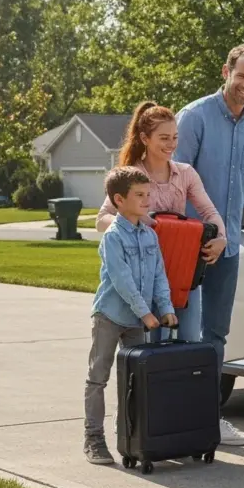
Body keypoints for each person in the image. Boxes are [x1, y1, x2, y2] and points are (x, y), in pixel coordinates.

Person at [173, 44, 244, 447]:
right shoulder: (194, 117)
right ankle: (171, 419)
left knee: (216, 334)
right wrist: (195, 237)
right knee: (181, 332)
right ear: (226, 72)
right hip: (187, 246)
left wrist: (230, 232)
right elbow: (174, 182)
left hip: (227, 248)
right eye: (241, 76)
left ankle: (208, 418)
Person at [96, 101, 228, 344]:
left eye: (175, 137)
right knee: (147, 347)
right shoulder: (131, 175)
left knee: (188, 342)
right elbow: (102, 219)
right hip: (142, 276)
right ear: (145, 138)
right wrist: (137, 221)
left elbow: (209, 212)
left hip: (181, 270)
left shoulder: (186, 173)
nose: (171, 144)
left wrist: (221, 238)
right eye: (164, 138)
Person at [84, 167, 178, 464]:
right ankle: (93, 439)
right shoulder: (113, 237)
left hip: (138, 320)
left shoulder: (150, 235)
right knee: (98, 378)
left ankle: (131, 438)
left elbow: (159, 275)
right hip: (110, 316)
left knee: (135, 381)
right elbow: (122, 280)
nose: (147, 200)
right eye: (139, 195)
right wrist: (146, 313)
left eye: (148, 194)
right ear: (119, 200)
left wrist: (166, 308)